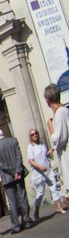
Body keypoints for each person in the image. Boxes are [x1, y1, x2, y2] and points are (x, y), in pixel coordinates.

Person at [0, 128, 33, 233]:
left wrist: (12, 172)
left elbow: (1, 164)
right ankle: (27, 221)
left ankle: (16, 225)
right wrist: (17, 171)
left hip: (7, 178)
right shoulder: (13, 141)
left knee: (12, 202)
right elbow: (19, 157)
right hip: (18, 175)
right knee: (23, 197)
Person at [43, 84, 69, 214]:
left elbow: (58, 139)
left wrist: (50, 127)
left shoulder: (60, 113)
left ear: (47, 100)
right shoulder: (64, 111)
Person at [26, 126, 58, 221]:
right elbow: (30, 161)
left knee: (54, 187)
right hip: (38, 172)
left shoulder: (42, 144)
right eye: (32, 134)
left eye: (36, 133)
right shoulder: (30, 147)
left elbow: (44, 155)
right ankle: (36, 209)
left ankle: (58, 207)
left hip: (47, 169)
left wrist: (49, 151)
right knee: (41, 192)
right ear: (30, 137)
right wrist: (39, 167)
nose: (35, 135)